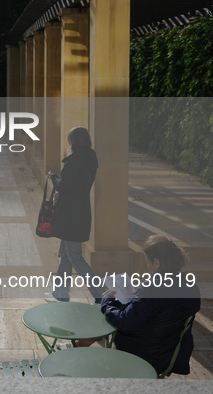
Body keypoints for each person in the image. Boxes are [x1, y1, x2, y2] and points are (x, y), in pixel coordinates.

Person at [101, 235, 201, 375]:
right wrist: (139, 298)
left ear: (156, 262)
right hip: (171, 354)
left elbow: (125, 322)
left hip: (146, 354)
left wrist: (107, 302)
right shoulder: (191, 286)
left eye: (147, 261)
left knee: (107, 320)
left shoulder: (152, 287)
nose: (147, 264)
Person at [44, 126, 104, 303]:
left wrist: (53, 177)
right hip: (79, 213)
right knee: (65, 254)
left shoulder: (75, 161)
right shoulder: (89, 159)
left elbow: (64, 185)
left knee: (75, 257)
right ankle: (60, 293)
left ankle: (100, 295)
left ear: (74, 141)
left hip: (71, 217)